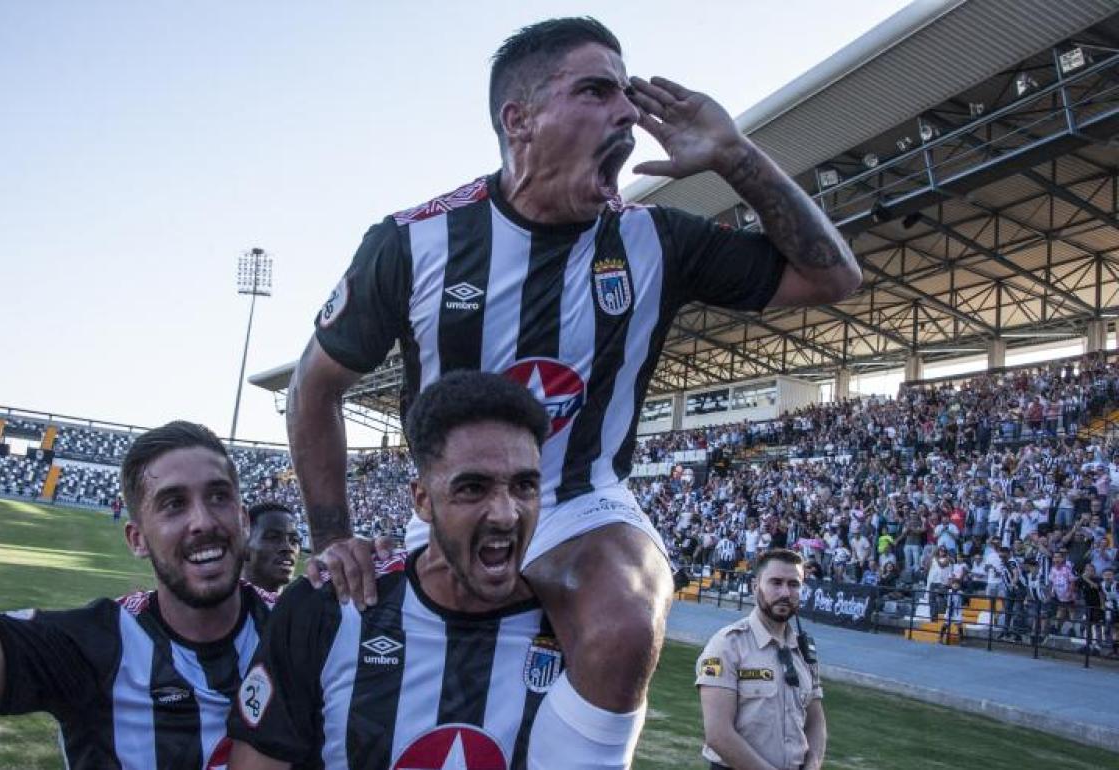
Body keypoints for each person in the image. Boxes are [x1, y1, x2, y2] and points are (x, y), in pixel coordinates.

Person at [286, 16, 860, 762]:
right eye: (596, 90)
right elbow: (313, 388)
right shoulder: (413, 242)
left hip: (582, 501)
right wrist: (332, 537)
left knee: (625, 619)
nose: (627, 113)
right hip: (454, 507)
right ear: (518, 120)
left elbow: (833, 277)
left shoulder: (656, 239)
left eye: (628, 93)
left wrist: (734, 154)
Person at [230, 372, 633, 769]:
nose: (506, 513)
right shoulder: (330, 609)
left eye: (524, 486)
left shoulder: (577, 631)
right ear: (422, 500)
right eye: (473, 488)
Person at [0, 421, 275, 769]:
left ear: (242, 519)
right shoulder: (93, 647)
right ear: (137, 539)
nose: (203, 520)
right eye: (173, 504)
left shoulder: (300, 630)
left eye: (219, 496)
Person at [695, 548, 826, 770]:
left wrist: (813, 763)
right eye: (776, 582)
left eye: (794, 584)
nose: (785, 592)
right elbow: (718, 734)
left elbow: (815, 721)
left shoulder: (804, 651)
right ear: (755, 587)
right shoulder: (727, 645)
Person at [243, 501, 303, 593]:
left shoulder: (304, 604)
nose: (288, 548)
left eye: (294, 540)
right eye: (273, 538)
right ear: (244, 546)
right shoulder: (222, 605)